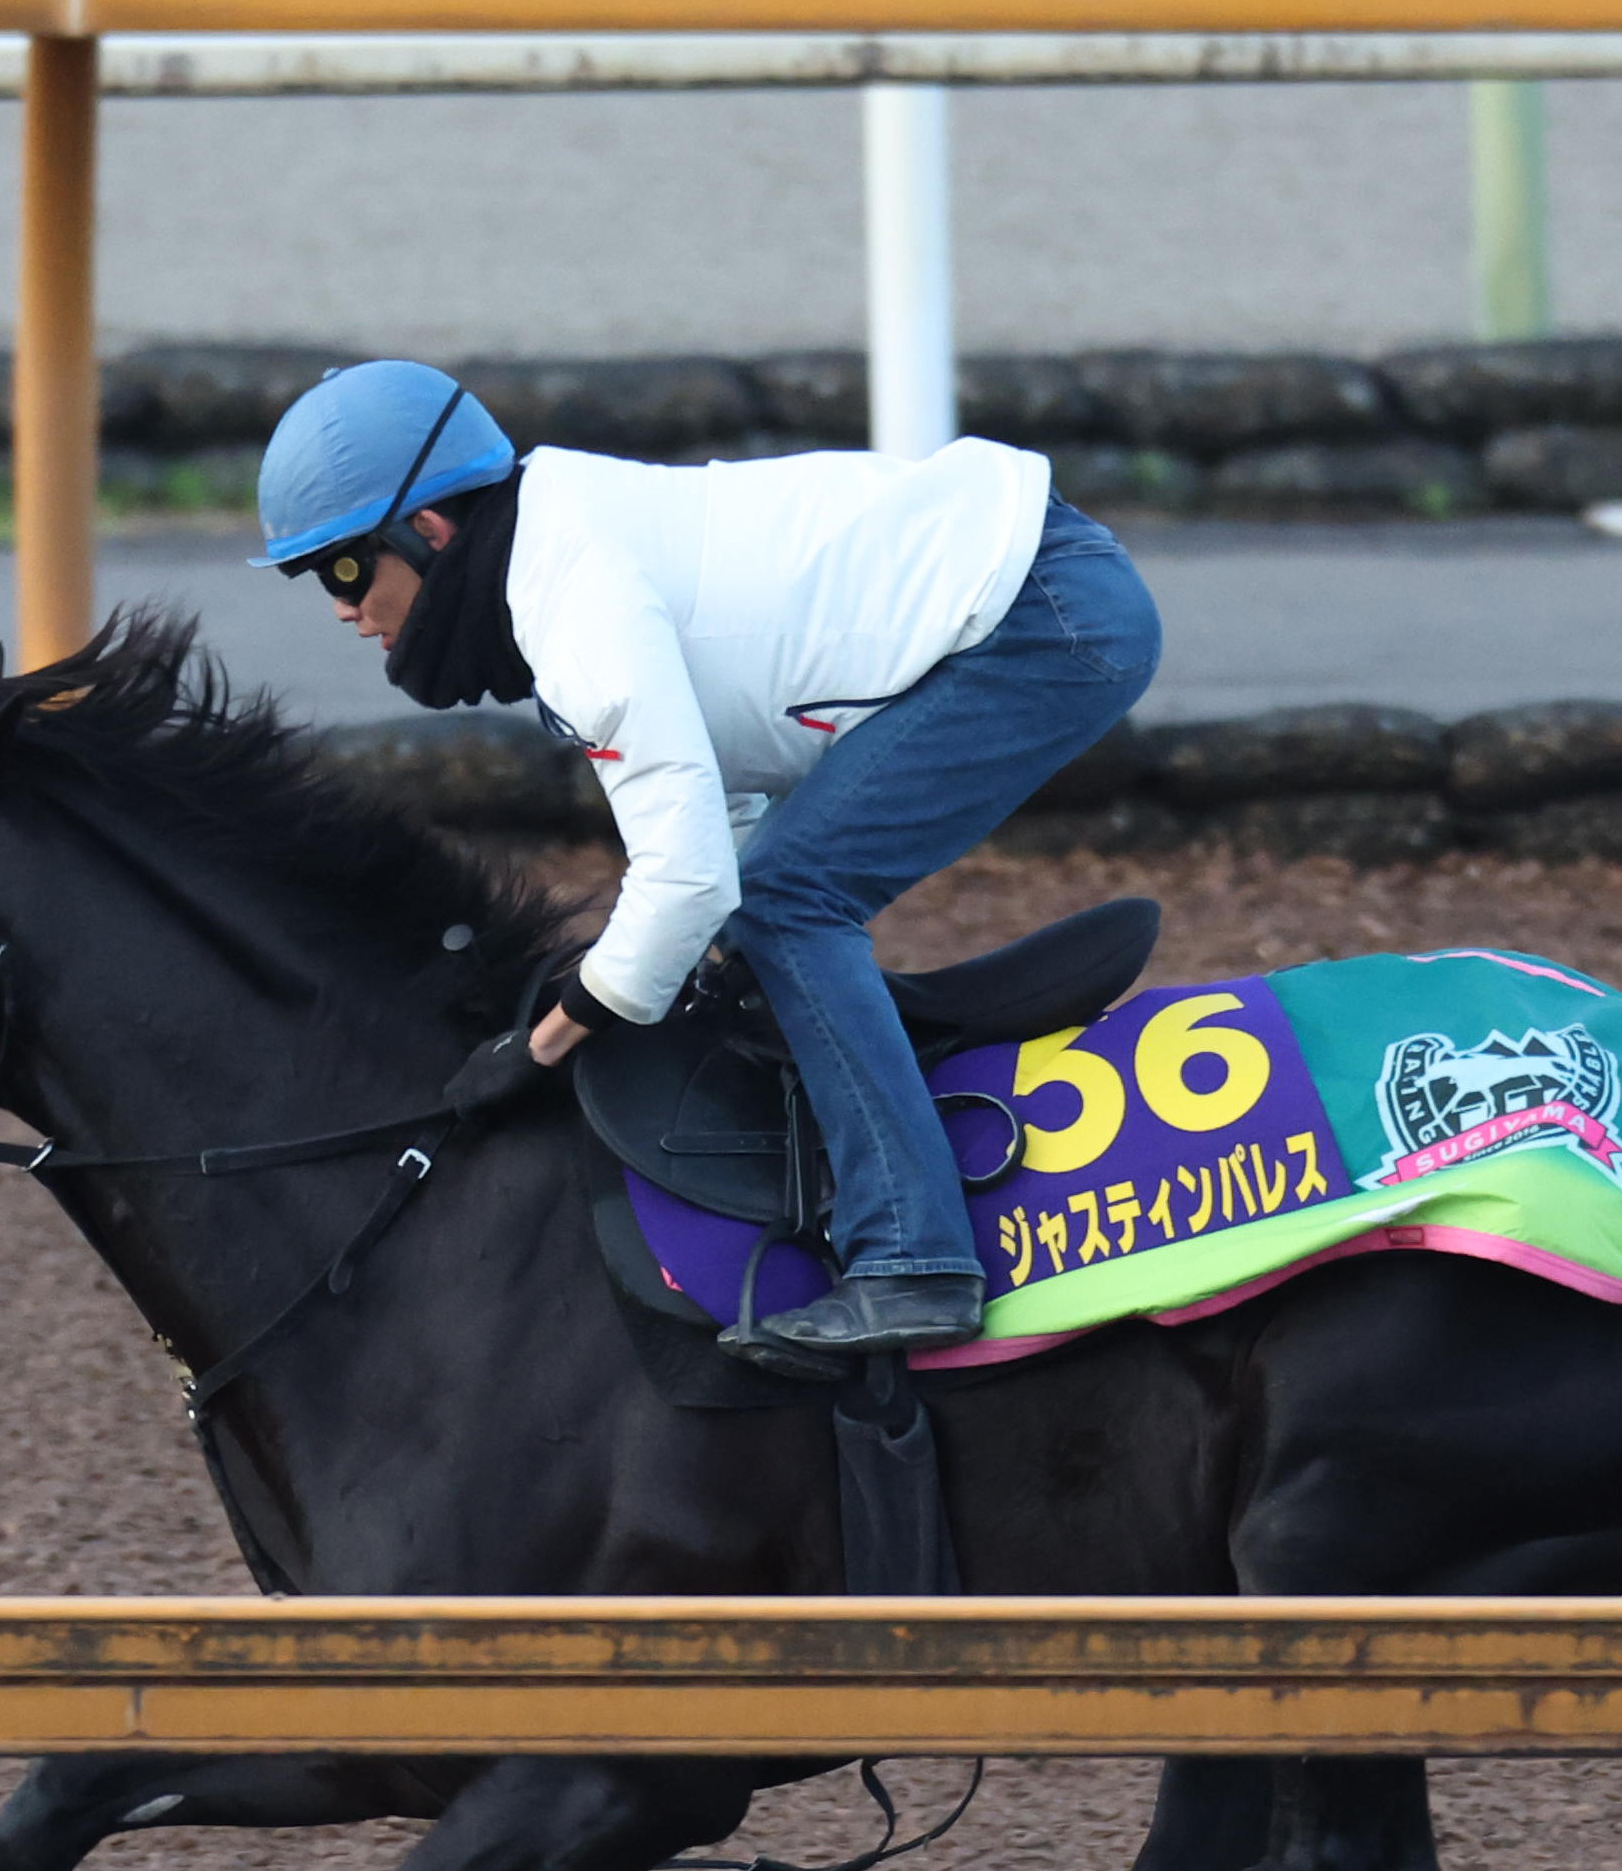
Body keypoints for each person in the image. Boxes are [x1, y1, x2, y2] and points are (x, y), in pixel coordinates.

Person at [252, 360, 1162, 1371]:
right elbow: (714, 821)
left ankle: (914, 1260)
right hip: (1039, 589)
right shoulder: (550, 552)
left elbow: (688, 878)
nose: (340, 608)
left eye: (342, 570)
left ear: (429, 529)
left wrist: (549, 1040)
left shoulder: (574, 597)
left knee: (788, 903)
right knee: (761, 912)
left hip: (1045, 619)